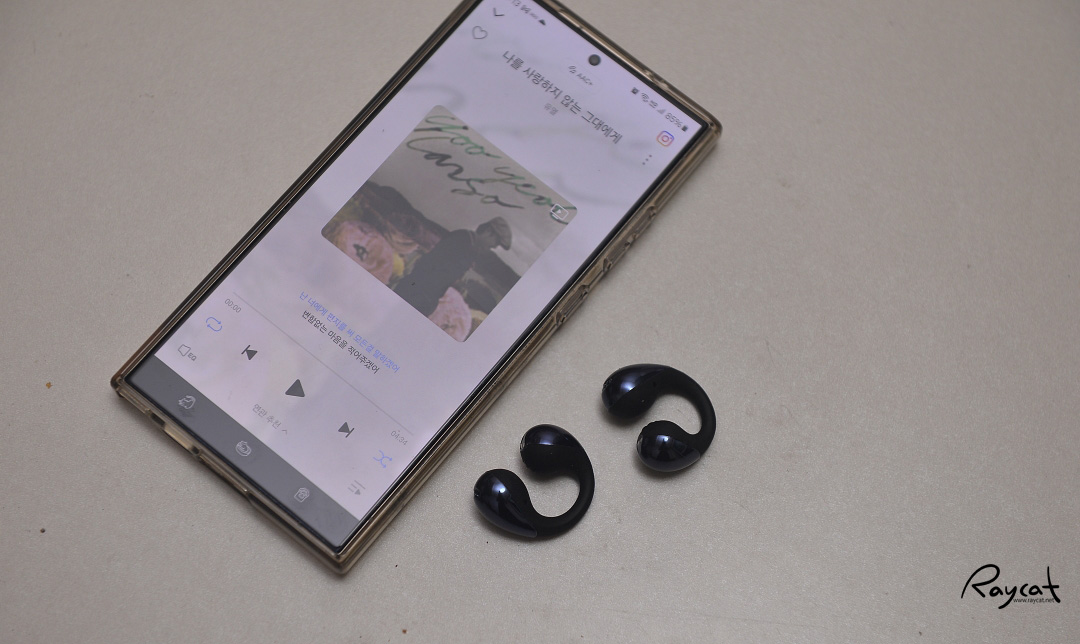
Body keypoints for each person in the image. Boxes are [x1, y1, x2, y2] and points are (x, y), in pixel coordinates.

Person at [394, 217, 512, 317]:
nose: (494, 247)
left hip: (423, 297)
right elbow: (431, 266)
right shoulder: (461, 239)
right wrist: (426, 299)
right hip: (415, 293)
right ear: (488, 231)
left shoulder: (470, 248)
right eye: (496, 242)